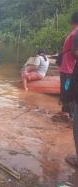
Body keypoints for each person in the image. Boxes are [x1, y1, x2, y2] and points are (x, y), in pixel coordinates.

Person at [64, 12, 78, 168]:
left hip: (68, 69)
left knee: (68, 93)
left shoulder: (75, 34)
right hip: (70, 70)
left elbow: (74, 52)